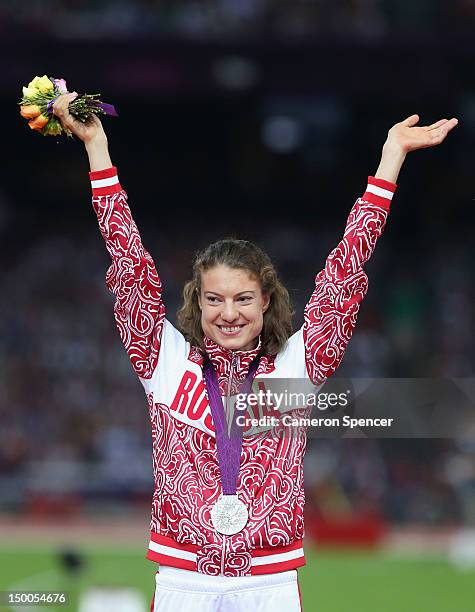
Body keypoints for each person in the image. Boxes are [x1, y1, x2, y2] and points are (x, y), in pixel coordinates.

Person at [52, 94, 457, 612]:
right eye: (214, 299)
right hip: (183, 582)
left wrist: (389, 161)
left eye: (244, 299)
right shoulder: (164, 360)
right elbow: (129, 266)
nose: (229, 313)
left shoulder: (297, 364)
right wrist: (97, 148)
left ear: (266, 301)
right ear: (197, 304)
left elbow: (343, 278)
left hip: (270, 584)